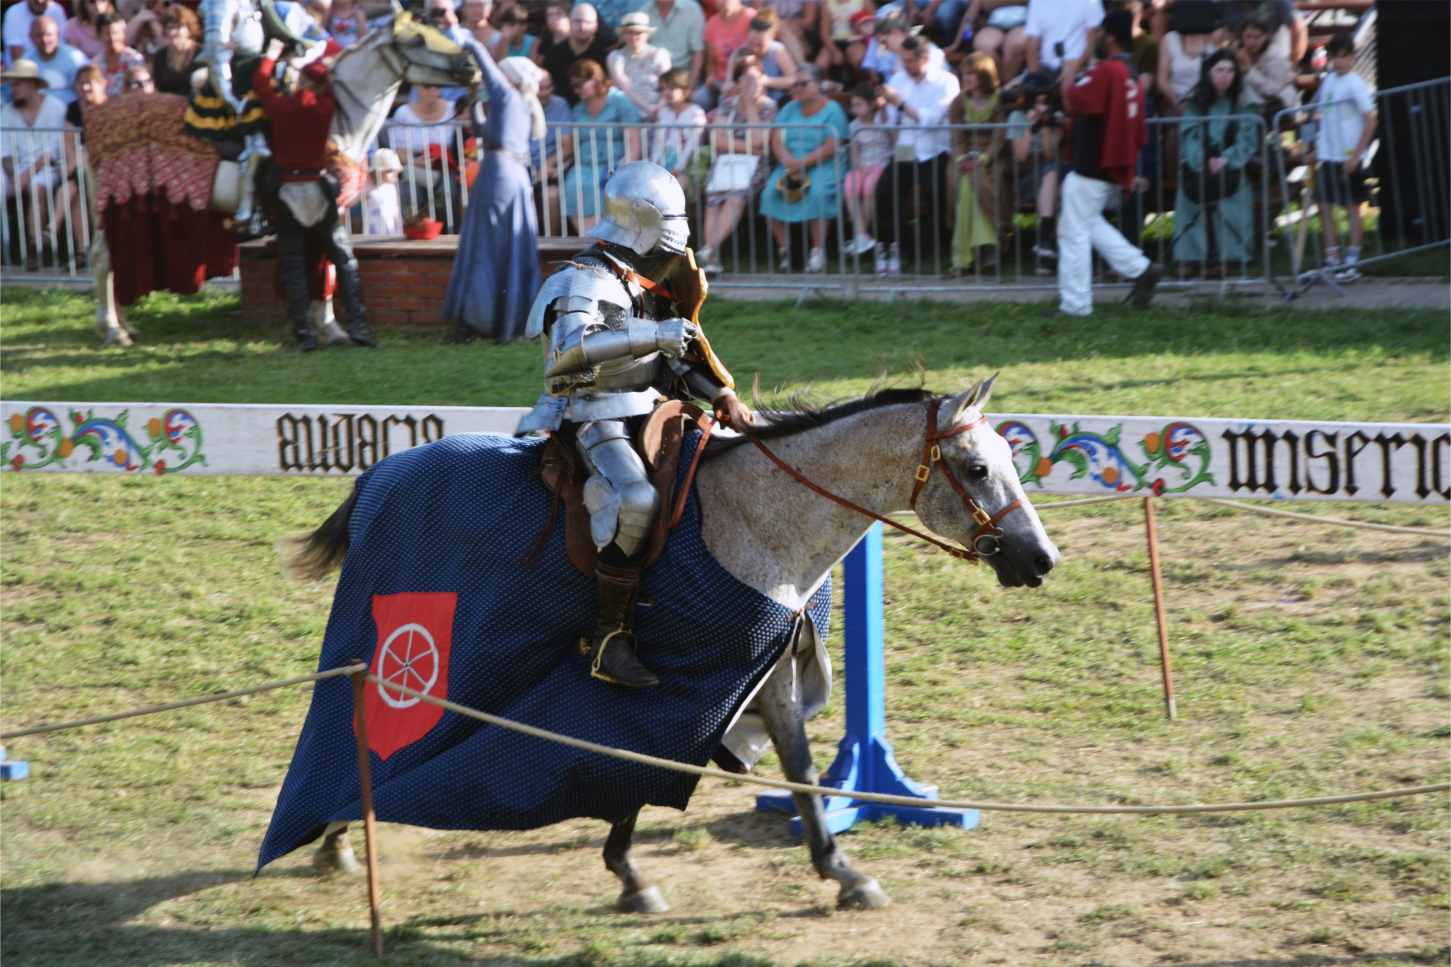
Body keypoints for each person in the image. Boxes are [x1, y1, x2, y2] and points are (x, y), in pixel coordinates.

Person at [513, 160, 750, 687]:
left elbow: (672, 362)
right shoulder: (581, 279)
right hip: (593, 415)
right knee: (637, 502)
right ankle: (608, 638)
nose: (671, 256)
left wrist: (722, 395)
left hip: (652, 408)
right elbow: (570, 357)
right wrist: (655, 335)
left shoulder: (637, 284)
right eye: (666, 239)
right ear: (642, 224)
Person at [250, 36, 375, 351]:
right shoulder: (325, 107)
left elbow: (259, 82)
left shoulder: (280, 105)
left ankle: (305, 336)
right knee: (343, 259)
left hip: (288, 192)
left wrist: (272, 54)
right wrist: (328, 69)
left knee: (292, 263)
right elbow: (329, 86)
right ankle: (359, 328)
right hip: (319, 190)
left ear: (301, 79)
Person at [1046, 8, 1159, 317]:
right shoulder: (1130, 71)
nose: (1094, 37)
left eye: (1097, 33)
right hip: (1110, 161)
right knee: (1087, 223)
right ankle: (1143, 269)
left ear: (1109, 37)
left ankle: (1076, 305)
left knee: (1073, 233)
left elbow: (1076, 99)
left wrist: (1069, 75)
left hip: (1092, 162)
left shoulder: (1108, 70)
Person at [443, 43, 544, 344]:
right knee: (499, 247)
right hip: (504, 174)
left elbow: (487, 69)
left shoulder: (509, 95)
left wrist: (469, 42)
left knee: (486, 248)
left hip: (499, 176)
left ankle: (478, 322)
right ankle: (495, 320)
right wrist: (474, 100)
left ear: (508, 77)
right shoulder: (517, 103)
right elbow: (483, 132)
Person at [872, 35, 958, 272]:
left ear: (925, 59)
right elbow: (888, 123)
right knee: (884, 192)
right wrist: (882, 107)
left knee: (935, 190)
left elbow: (930, 120)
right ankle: (905, 245)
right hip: (906, 148)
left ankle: (941, 244)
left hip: (936, 149)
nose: (906, 65)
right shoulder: (898, 79)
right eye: (903, 60)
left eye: (910, 61)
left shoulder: (946, 81)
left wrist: (899, 103)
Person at [1170, 48, 1257, 277]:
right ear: (1209, 73)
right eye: (1220, 70)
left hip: (1230, 164)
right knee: (1189, 198)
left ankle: (1227, 256)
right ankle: (1189, 256)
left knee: (1233, 199)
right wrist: (1201, 159)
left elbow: (1247, 138)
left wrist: (1226, 158)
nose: (1225, 75)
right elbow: (1189, 135)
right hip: (1199, 163)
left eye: (1230, 70)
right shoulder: (1196, 103)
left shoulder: (1242, 102)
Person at [760, 64, 848, 273]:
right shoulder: (790, 107)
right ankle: (787, 252)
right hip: (789, 163)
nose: (798, 88)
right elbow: (776, 140)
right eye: (796, 84)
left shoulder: (833, 110)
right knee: (769, 195)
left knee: (816, 194)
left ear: (818, 84)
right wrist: (790, 162)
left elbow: (832, 146)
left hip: (823, 164)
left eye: (804, 83)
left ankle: (818, 252)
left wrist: (801, 163)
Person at [697, 53, 776, 274]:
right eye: (746, 79)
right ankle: (711, 260)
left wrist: (751, 106)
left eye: (756, 77)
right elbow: (717, 141)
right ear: (738, 82)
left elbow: (762, 141)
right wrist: (751, 147)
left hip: (756, 167)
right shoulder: (727, 105)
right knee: (713, 201)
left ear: (763, 78)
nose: (751, 83)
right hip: (726, 163)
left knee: (734, 198)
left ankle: (708, 250)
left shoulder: (768, 107)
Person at [1312, 32, 1375, 282]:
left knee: (1352, 209)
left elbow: (1371, 120)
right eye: (1334, 57)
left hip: (1349, 157)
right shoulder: (1328, 81)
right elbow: (1323, 117)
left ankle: (1352, 261)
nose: (1339, 62)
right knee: (1323, 206)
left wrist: (1356, 156)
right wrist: (1317, 148)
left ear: (1352, 57)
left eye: (1343, 57)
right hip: (1328, 156)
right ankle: (1332, 258)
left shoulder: (1355, 84)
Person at [561, 58, 642, 234]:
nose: (576, 90)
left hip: (613, 162)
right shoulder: (578, 109)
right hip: (584, 165)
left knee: (604, 188)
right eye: (573, 86)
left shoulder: (619, 100)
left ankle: (602, 243)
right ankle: (589, 244)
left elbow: (634, 139)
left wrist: (625, 169)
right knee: (573, 187)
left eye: (580, 84)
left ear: (595, 78)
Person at [2, 60, 68, 270]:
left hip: (47, 167)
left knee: (37, 187)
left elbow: (53, 151)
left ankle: (34, 249)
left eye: (18, 84)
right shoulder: (8, 111)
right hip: (16, 168)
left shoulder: (55, 107)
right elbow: (4, 151)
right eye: (11, 85)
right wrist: (13, 176)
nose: (13, 90)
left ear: (32, 84)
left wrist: (25, 176)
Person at [947, 50, 1003, 276]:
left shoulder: (1000, 99)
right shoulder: (959, 101)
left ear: (985, 75)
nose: (966, 78)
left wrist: (983, 158)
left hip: (994, 156)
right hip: (963, 155)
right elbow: (956, 137)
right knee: (963, 183)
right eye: (964, 73)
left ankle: (967, 257)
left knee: (978, 182)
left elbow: (1000, 138)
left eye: (971, 73)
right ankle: (982, 251)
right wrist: (962, 159)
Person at [1006, 68, 1061, 274]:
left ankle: (1045, 245)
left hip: (1048, 169)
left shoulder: (1053, 113)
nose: (1040, 96)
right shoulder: (1016, 116)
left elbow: (1050, 154)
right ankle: (1047, 245)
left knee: (1052, 173)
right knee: (1052, 179)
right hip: (1026, 173)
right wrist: (1030, 126)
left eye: (1042, 92)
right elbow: (1020, 156)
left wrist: (1045, 125)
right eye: (1035, 91)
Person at [388, 82, 461, 224]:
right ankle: (413, 234)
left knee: (448, 192)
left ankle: (449, 237)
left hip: (448, 165)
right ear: (416, 87)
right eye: (427, 86)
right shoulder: (403, 113)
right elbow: (399, 152)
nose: (433, 89)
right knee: (411, 193)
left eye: (437, 86)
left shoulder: (453, 109)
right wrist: (416, 162)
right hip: (415, 164)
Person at [842, 82, 891, 263]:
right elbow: (854, 153)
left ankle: (860, 237)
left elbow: (890, 134)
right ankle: (862, 235)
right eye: (853, 105)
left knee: (869, 187)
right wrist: (859, 166)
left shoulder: (881, 121)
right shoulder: (854, 126)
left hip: (881, 163)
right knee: (850, 185)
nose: (854, 109)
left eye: (858, 104)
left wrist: (884, 106)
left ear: (871, 105)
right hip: (863, 164)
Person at [1155, 1, 1219, 116]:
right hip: (1176, 102)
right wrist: (1178, 103)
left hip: (1209, 102)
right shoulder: (1169, 39)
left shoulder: (1214, 38)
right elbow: (1162, 81)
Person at [543, 3, 614, 107]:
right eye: (578, 21)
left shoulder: (603, 57)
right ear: (570, 22)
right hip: (560, 113)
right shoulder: (553, 53)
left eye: (588, 22)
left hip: (593, 114)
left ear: (595, 27)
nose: (582, 27)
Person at [608, 11, 672, 119]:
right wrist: (649, 110)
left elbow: (669, 85)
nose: (634, 36)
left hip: (660, 111)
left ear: (647, 34)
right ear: (623, 35)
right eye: (629, 32)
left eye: (639, 32)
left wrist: (658, 109)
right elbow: (624, 88)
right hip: (628, 112)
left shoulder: (660, 54)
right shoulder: (615, 57)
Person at [530, 70, 573, 233]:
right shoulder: (518, 105)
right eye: (541, 88)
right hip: (521, 165)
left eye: (549, 87)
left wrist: (549, 163)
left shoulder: (559, 104)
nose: (546, 92)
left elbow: (568, 145)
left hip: (550, 163)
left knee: (552, 195)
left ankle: (551, 246)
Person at [652, 68, 707, 193]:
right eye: (664, 89)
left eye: (671, 88)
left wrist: (679, 167)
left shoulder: (696, 112)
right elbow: (658, 142)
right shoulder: (663, 113)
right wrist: (655, 163)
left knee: (675, 191)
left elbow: (693, 144)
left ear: (683, 88)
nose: (667, 92)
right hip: (664, 162)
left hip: (687, 163)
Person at [726, 11, 796, 106]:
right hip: (743, 106)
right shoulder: (737, 54)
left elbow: (794, 80)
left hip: (776, 104)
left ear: (772, 37)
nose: (755, 49)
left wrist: (766, 81)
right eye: (751, 43)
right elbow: (728, 84)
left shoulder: (778, 51)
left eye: (760, 45)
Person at [1234, 11, 1295, 118]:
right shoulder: (1237, 50)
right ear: (1241, 36)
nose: (1252, 42)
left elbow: (1271, 90)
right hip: (1251, 102)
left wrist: (1249, 68)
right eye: (1248, 37)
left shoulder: (1274, 56)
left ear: (1266, 35)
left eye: (1258, 37)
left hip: (1278, 104)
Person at [1023, 0, 1102, 79]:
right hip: (1045, 67)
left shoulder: (1090, 2)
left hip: (1077, 68)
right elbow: (1031, 43)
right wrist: (1034, 78)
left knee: (1066, 83)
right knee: (1013, 86)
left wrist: (1079, 65)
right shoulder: (1037, 1)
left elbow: (1093, 42)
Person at [21, 16, 88, 106]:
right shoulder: (25, 62)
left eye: (48, 35)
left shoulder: (74, 57)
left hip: (71, 112)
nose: (44, 40)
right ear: (30, 37)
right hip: (36, 114)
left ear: (57, 35)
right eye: (39, 36)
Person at [697, 0, 751, 110]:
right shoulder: (712, 23)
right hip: (719, 83)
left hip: (744, 79)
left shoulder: (751, 18)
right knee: (700, 99)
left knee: (724, 99)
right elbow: (711, 62)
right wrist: (711, 76)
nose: (722, 2)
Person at [646, 0, 706, 95]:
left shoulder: (691, 9)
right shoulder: (644, 13)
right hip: (654, 81)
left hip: (683, 79)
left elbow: (699, 51)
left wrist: (690, 86)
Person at [960, 0, 1028, 83]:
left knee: (1014, 46)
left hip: (1024, 22)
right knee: (983, 46)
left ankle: (1008, 88)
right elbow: (986, 5)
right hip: (994, 23)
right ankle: (996, 87)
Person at [92, 12, 146, 98]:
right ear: (99, 35)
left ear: (123, 33)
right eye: (107, 34)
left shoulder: (134, 58)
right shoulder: (96, 62)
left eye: (115, 33)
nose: (113, 38)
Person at [150, 4, 200, 96]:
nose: (173, 32)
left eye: (178, 28)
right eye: (170, 28)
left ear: (190, 30)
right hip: (168, 107)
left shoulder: (202, 53)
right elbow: (156, 88)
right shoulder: (160, 56)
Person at [4, 0, 67, 64]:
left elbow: (60, 47)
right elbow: (18, 60)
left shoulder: (57, 10)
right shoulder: (13, 13)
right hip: (24, 69)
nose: (40, 1)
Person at [363, 147, 403, 235]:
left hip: (391, 223)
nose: (394, 174)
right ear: (378, 172)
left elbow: (395, 207)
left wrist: (400, 221)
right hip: (374, 224)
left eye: (394, 171)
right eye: (390, 171)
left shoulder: (391, 188)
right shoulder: (369, 188)